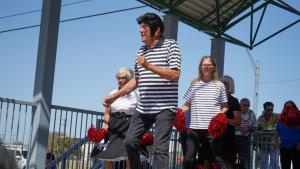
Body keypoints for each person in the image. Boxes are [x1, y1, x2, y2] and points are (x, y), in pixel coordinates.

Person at [103, 12, 182, 169]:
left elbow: (175, 74)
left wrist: (149, 66)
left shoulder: (171, 45)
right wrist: (114, 97)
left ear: (157, 30)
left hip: (165, 107)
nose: (141, 30)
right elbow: (136, 81)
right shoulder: (141, 51)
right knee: (130, 142)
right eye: (140, 27)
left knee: (160, 149)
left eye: (145, 27)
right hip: (144, 107)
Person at [179, 55, 228, 169]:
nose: (206, 67)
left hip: (211, 130)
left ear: (214, 68)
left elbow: (225, 106)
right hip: (194, 129)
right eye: (203, 65)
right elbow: (187, 105)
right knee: (188, 159)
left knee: (217, 158)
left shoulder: (220, 85)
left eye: (208, 65)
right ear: (200, 68)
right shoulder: (194, 84)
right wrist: (179, 113)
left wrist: (221, 114)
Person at [92, 67, 140, 169]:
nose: (120, 80)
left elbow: (140, 113)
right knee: (106, 155)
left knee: (129, 154)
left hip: (129, 125)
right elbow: (106, 113)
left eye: (123, 78)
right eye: (118, 78)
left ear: (130, 79)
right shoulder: (112, 93)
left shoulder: (136, 95)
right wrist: (105, 126)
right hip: (113, 126)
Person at [213, 75, 241, 169]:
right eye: (221, 82)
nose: (223, 84)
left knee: (227, 164)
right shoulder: (214, 99)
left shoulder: (234, 101)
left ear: (231, 86)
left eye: (225, 83)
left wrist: (224, 119)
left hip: (228, 138)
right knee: (209, 162)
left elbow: (237, 121)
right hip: (213, 137)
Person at [276, 100, 300, 169]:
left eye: (291, 107)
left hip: (297, 147)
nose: (289, 108)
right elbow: (277, 130)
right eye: (287, 107)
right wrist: (276, 141)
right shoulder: (280, 118)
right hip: (284, 147)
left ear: (294, 107)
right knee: (285, 166)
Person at [235, 98, 257, 169]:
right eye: (244, 105)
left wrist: (248, 129)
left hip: (246, 138)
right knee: (231, 157)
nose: (246, 107)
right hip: (235, 137)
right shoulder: (236, 112)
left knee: (244, 158)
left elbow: (255, 126)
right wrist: (241, 128)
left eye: (248, 105)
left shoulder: (252, 113)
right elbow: (230, 125)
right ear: (240, 105)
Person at [257, 101, 280, 169]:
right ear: (264, 110)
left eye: (271, 109)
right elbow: (258, 129)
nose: (270, 111)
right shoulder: (260, 118)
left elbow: (277, 128)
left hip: (274, 144)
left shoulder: (276, 117)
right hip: (263, 144)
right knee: (263, 164)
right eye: (268, 109)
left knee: (274, 164)